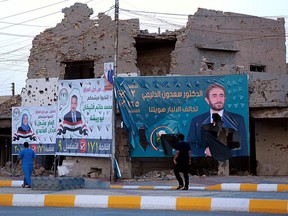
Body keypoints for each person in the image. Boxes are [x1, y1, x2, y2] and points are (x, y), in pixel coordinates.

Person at [187, 83, 248, 160]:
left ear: (225, 98)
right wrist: (205, 151)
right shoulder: (196, 121)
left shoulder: (238, 119)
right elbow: (190, 144)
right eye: (214, 96)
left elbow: (243, 147)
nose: (219, 100)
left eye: (221, 95)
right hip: (205, 166)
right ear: (207, 100)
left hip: (231, 166)